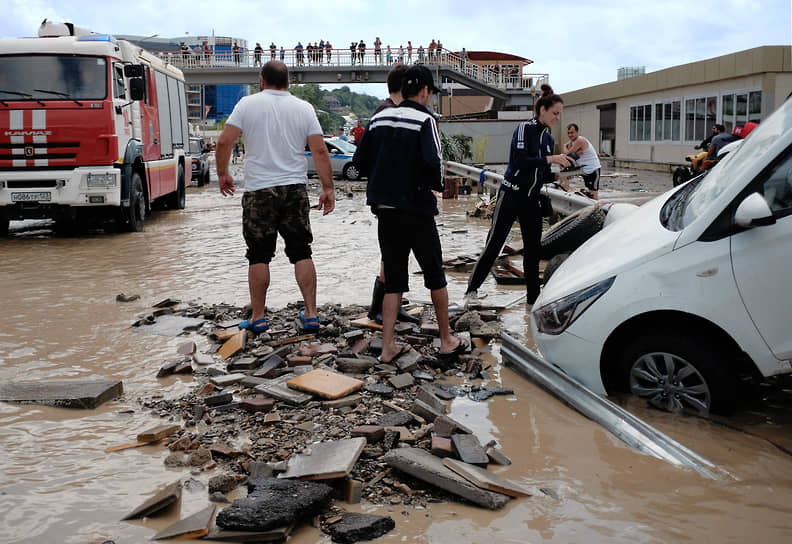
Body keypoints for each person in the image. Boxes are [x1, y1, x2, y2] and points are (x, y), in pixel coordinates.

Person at [353, 65, 466, 364]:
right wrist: (434, 187)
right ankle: (446, 340)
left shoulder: (378, 117)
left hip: (385, 210)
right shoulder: (426, 119)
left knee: (394, 279)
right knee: (434, 275)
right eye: (431, 94)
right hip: (416, 210)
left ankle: (388, 346)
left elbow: (359, 161)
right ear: (425, 91)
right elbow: (434, 163)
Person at [216, 61, 335, 334]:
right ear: (288, 83)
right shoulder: (304, 108)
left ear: (261, 80)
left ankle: (258, 317)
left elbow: (224, 142)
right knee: (301, 251)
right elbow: (319, 151)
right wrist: (328, 188)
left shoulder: (247, 105)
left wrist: (223, 173)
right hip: (294, 188)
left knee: (258, 255)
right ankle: (312, 313)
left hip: (259, 190)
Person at [464, 84, 571, 311]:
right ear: (542, 109)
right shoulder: (524, 128)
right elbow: (521, 162)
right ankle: (471, 291)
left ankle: (533, 301)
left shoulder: (548, 139)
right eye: (555, 113)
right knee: (495, 243)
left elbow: (540, 173)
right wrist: (551, 160)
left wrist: (561, 175)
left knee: (533, 250)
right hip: (511, 194)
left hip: (531, 200)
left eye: (560, 114)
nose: (558, 118)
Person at [364, 63, 417, 325]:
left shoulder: (387, 111)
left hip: (388, 196)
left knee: (393, 254)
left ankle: (386, 308)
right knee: (392, 254)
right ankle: (380, 309)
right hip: (392, 197)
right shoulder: (387, 114)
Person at [563, 123, 602, 199]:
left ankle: (596, 207)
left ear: (577, 132)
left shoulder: (580, 140)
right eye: (568, 133)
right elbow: (568, 157)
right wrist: (573, 154)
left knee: (593, 194)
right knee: (563, 167)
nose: (570, 135)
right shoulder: (571, 142)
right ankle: (565, 188)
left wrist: (565, 146)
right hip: (583, 169)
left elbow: (567, 154)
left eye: (572, 132)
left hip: (592, 169)